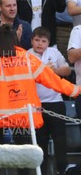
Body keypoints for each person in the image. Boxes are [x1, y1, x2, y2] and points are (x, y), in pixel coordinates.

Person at [0, 24, 80, 174]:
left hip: (0, 117)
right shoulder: (28, 58)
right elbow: (52, 79)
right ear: (16, 38)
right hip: (23, 116)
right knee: (25, 154)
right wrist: (75, 90)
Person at [28, 27, 70, 175]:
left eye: (43, 41)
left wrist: (53, 71)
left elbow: (67, 71)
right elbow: (24, 79)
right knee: (40, 143)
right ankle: (42, 172)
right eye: (37, 40)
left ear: (48, 43)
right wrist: (42, 72)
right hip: (35, 105)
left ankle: (62, 171)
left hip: (56, 102)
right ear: (32, 40)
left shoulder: (54, 52)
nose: (40, 43)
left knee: (60, 140)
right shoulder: (26, 55)